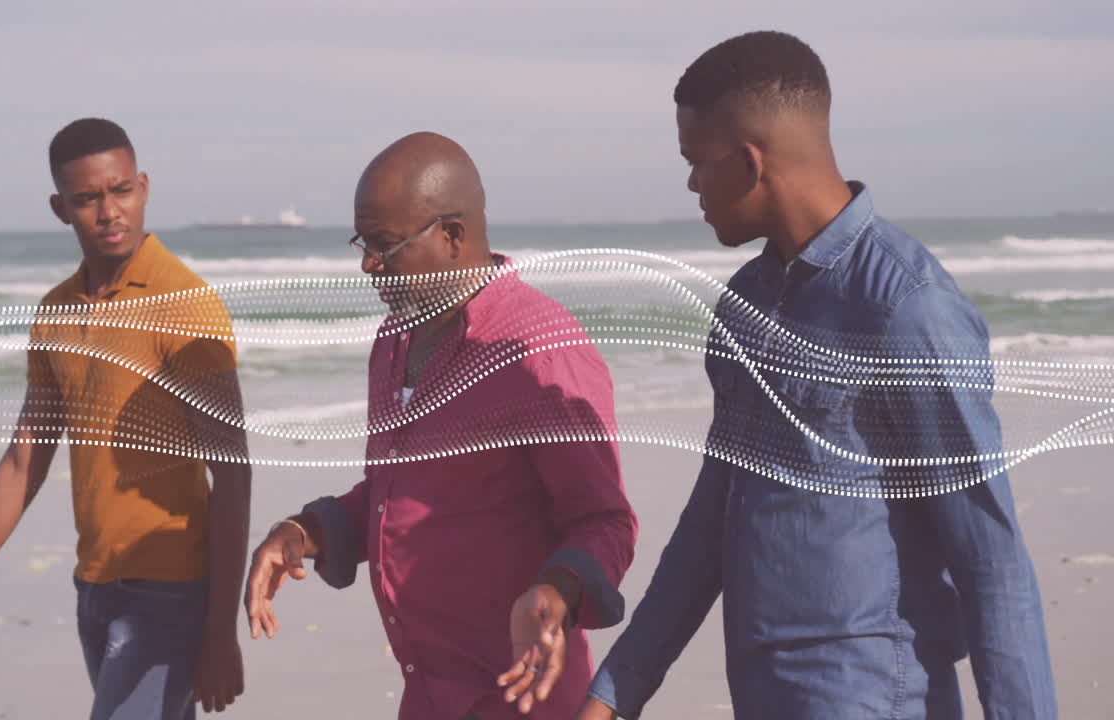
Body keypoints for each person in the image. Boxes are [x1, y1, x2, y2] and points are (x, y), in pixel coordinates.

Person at [579, 31, 1056, 720]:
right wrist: (616, 692)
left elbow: (991, 558)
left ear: (749, 164)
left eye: (696, 163)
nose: (689, 184)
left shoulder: (905, 307)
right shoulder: (744, 306)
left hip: (876, 695)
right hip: (763, 694)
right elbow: (713, 518)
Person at [244, 132, 637, 719]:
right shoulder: (395, 339)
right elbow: (397, 497)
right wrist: (304, 532)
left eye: (385, 245)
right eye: (363, 242)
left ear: (452, 236)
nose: (368, 264)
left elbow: (604, 520)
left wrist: (557, 589)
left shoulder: (537, 350)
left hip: (525, 698)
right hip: (428, 696)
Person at [0, 118, 252, 719]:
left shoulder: (184, 304)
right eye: (87, 199)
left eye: (120, 191)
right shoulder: (55, 311)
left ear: (143, 187)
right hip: (93, 588)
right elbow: (22, 463)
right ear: (60, 208)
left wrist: (220, 632)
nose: (108, 211)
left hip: (169, 591)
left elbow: (235, 474)